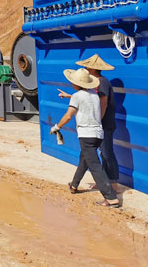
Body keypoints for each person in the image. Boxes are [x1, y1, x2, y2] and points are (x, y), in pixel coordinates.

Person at [51, 67, 119, 207]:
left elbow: (69, 115)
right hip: (98, 134)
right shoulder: (94, 95)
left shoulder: (77, 96)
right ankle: (74, 185)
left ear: (77, 84)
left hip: (86, 135)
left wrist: (57, 127)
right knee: (85, 159)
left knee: (95, 166)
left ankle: (111, 197)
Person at [77, 54, 119, 191]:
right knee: (102, 153)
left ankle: (113, 183)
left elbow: (103, 103)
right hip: (101, 123)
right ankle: (105, 181)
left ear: (92, 69)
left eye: (86, 66)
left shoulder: (102, 82)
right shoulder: (96, 82)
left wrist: (97, 121)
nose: (84, 68)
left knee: (107, 153)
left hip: (104, 124)